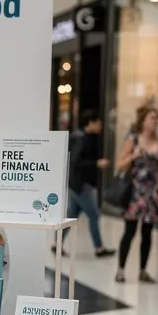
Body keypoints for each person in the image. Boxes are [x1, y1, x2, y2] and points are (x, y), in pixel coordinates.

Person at [114, 105, 158, 283]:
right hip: (135, 192)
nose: (155, 121)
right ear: (143, 120)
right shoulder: (133, 140)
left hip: (153, 194)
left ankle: (143, 269)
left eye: (156, 118)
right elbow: (119, 164)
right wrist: (132, 156)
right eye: (151, 117)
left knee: (147, 233)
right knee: (130, 231)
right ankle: (121, 268)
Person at [63, 109, 114, 257]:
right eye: (98, 123)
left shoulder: (82, 136)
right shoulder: (81, 138)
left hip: (76, 183)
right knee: (94, 215)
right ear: (90, 123)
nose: (100, 126)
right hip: (81, 184)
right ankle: (99, 248)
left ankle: (56, 243)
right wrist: (96, 163)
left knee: (71, 215)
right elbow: (76, 161)